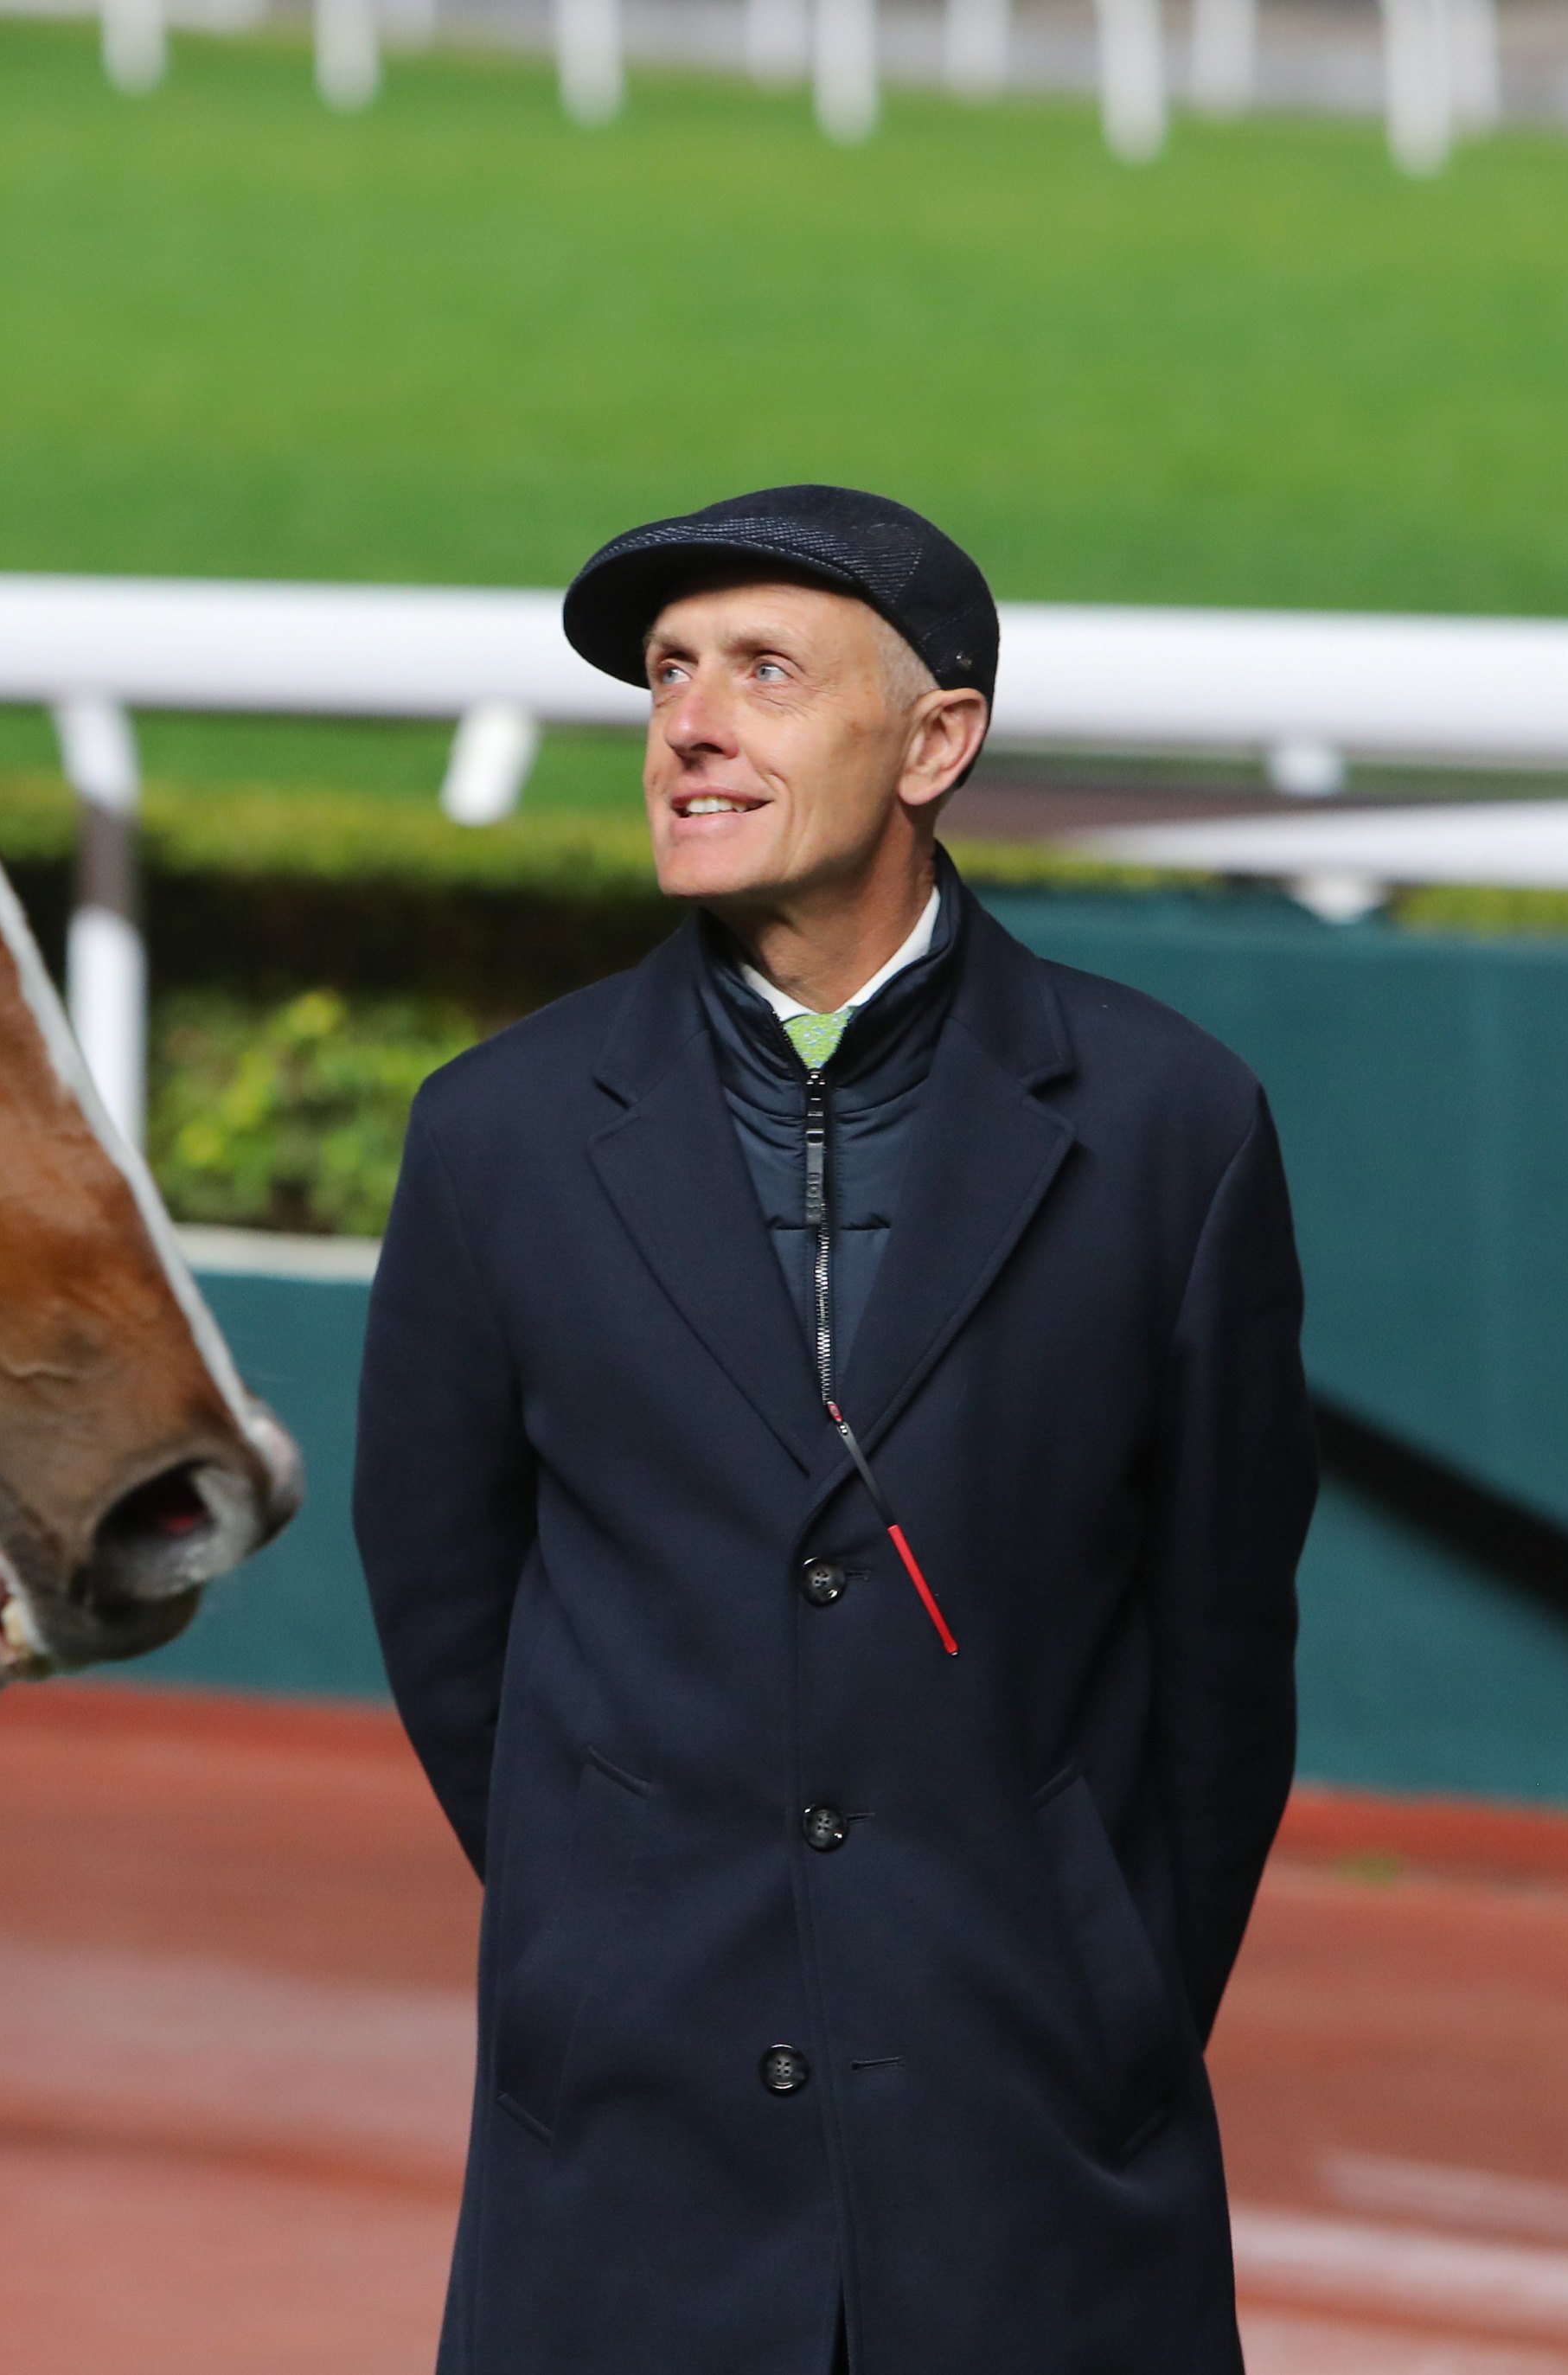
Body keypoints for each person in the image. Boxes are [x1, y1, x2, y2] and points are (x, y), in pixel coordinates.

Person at [354, 487, 1313, 2373]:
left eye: (763, 674)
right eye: (665, 678)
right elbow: (447, 1606)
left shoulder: (1171, 1122)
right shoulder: (495, 1133)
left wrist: (1088, 1976)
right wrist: (608, 1914)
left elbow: (1219, 1650)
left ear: (934, 742)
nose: (689, 725)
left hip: (1037, 2141)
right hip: (620, 2139)